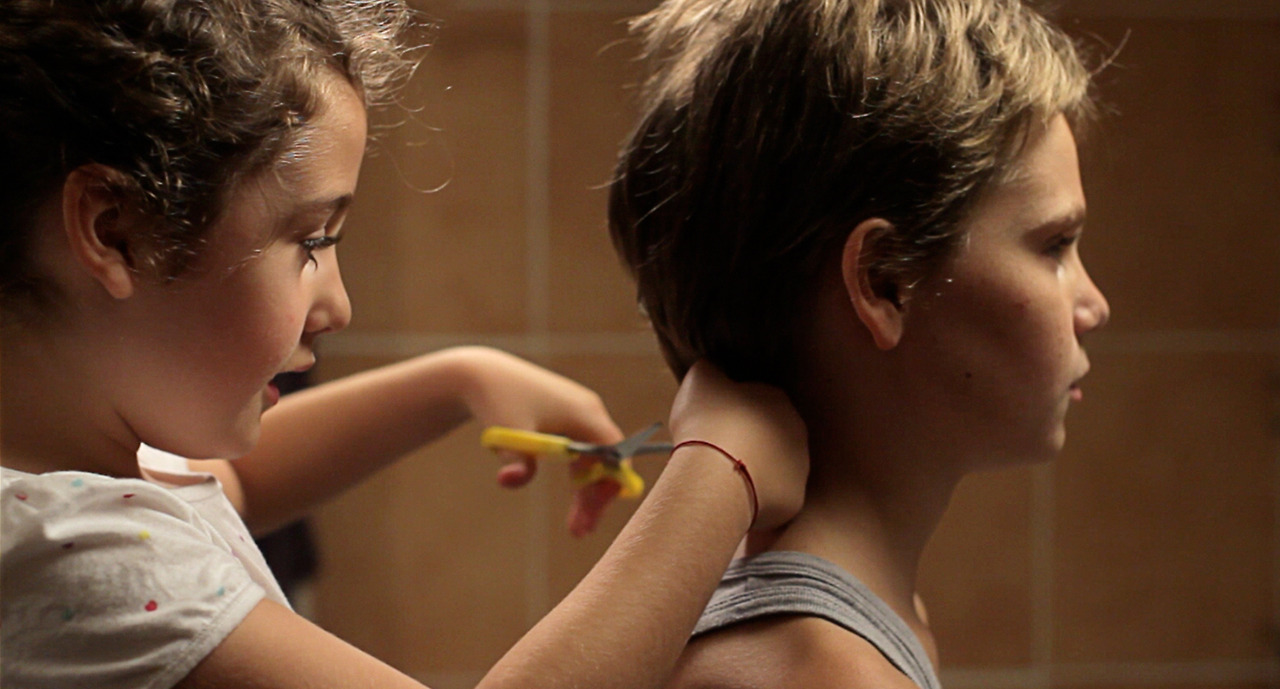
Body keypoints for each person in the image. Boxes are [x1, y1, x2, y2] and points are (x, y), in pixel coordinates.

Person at [0, 1, 809, 688]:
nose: (337, 305)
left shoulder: (63, 495)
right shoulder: (84, 565)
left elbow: (228, 483)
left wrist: (457, 381)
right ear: (117, 231)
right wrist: (716, 475)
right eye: (311, 241)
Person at [607, 0, 1111, 687]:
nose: (1094, 306)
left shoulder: (867, 615)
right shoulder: (819, 669)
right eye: (1054, 245)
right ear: (884, 282)